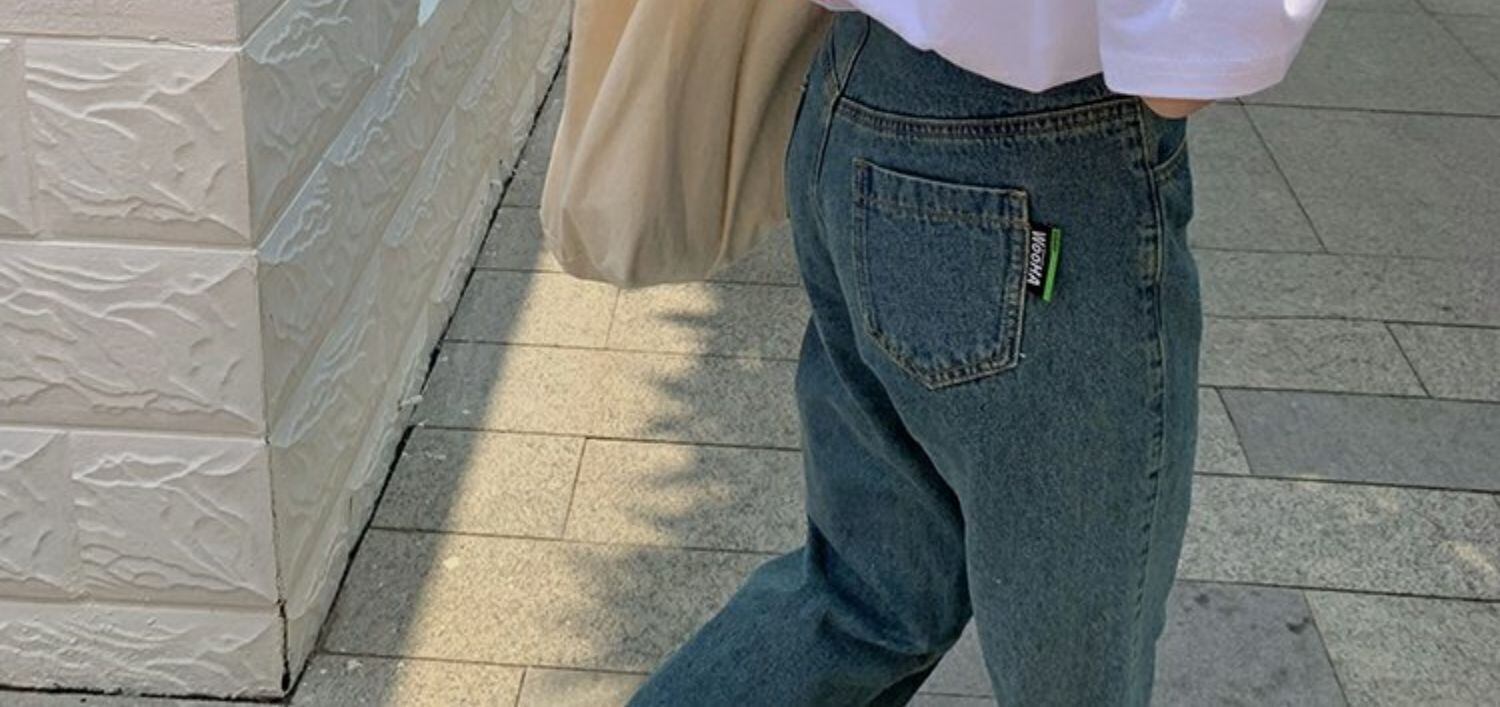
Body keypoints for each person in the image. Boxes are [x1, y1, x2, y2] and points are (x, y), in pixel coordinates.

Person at [631, 1, 1325, 704]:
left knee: (868, 596)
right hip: (1034, 154)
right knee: (1073, 671)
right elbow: (1183, 62)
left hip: (858, 90)